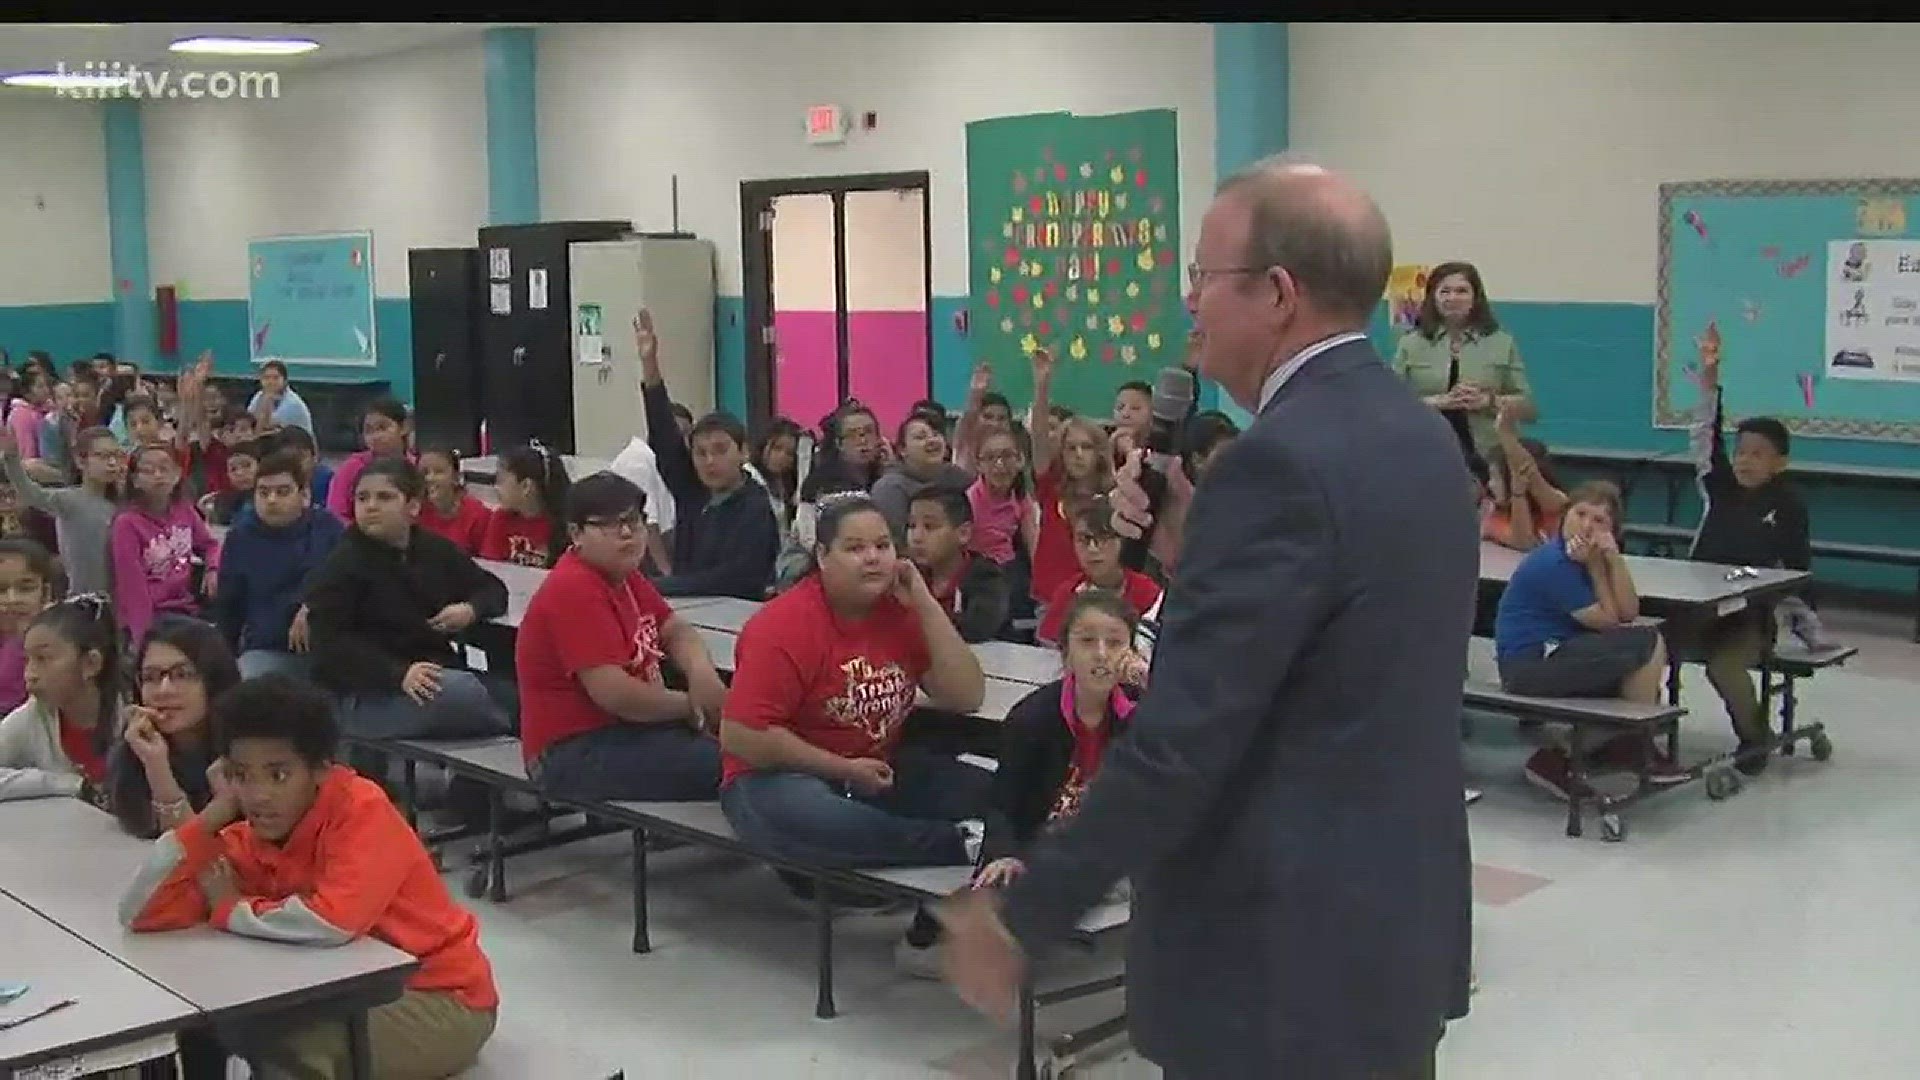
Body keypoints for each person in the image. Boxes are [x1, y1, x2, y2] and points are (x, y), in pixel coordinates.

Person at [937, 156, 1475, 1079]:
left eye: (1202, 277)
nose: (1189, 305)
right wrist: (1192, 547)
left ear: (1277, 293)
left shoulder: (1277, 467)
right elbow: (1341, 647)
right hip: (1393, 922)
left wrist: (1028, 911)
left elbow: (1185, 741)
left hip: (1278, 957)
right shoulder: (1419, 433)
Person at [117, 674, 498, 1079]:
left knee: (288, 1040)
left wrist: (232, 908)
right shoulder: (248, 835)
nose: (259, 795)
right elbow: (140, 913)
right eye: (242, 775)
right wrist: (214, 814)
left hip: (440, 997)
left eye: (278, 775)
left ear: (319, 770)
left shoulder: (362, 810)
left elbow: (331, 921)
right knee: (201, 1026)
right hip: (342, 992)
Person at [720, 494, 989, 970]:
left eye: (883, 545)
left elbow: (966, 694)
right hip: (776, 776)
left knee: (991, 790)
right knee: (816, 820)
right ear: (822, 557)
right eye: (855, 547)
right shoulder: (782, 626)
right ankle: (958, 846)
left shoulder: (901, 613)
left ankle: (987, 851)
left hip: (875, 766)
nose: (873, 558)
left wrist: (926, 605)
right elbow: (744, 736)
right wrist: (842, 768)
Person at [515, 472, 726, 803]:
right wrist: (694, 705)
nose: (627, 533)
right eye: (610, 525)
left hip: (625, 730)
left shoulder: (623, 575)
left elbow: (674, 628)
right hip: (570, 751)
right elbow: (616, 696)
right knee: (734, 761)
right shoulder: (574, 589)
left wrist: (702, 675)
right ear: (576, 534)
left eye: (634, 521)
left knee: (748, 740)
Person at [1492, 481, 1684, 794]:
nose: (1587, 526)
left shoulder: (1589, 558)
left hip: (1559, 655)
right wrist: (1596, 567)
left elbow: (1628, 611)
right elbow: (1609, 623)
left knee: (1644, 651)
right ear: (1565, 516)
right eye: (1581, 514)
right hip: (1529, 665)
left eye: (1600, 521)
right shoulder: (1554, 562)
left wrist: (1614, 560)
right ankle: (1618, 747)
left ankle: (1621, 746)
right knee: (1648, 643)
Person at [304, 459, 512, 742]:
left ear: (413, 507)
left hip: (433, 674)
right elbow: (330, 645)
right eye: (362, 498)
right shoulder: (342, 563)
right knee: (464, 694)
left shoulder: (431, 548)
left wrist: (471, 608)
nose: (371, 506)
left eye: (384, 497)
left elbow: (492, 588)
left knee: (514, 694)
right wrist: (398, 674)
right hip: (367, 692)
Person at [1684, 328, 1815, 773]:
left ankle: (1754, 738)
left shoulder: (1789, 507)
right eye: (1741, 452)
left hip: (1749, 618)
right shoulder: (1717, 487)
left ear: (1780, 463)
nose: (1745, 460)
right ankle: (1632, 737)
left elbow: (1798, 573)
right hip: (1696, 608)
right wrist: (1709, 374)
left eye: (1758, 454)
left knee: (1723, 667)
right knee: (1644, 647)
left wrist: (1805, 628)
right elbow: (1704, 435)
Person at [973, 590, 1142, 892]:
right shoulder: (1032, 719)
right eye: (1087, 641)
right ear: (1065, 652)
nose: (1102, 653)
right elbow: (1004, 804)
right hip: (1042, 853)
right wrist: (1004, 855)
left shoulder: (1142, 715)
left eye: (1115, 643)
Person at [635, 311, 780, 599]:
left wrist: (659, 586)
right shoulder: (693, 491)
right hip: (686, 610)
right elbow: (665, 440)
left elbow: (737, 579)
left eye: (720, 450)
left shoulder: (755, 507)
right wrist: (650, 368)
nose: (710, 462)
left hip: (737, 615)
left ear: (744, 452)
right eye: (700, 453)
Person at [213, 449, 344, 681]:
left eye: (282, 492)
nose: (271, 500)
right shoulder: (240, 538)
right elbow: (228, 609)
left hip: (329, 649)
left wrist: (312, 604)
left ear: (304, 495)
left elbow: (348, 580)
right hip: (267, 649)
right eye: (263, 492)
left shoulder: (328, 528)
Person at [108, 616, 241, 838]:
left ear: (214, 679)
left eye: (182, 675)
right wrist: (155, 763)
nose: (164, 690)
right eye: (150, 677)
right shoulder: (134, 749)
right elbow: (160, 843)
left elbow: (199, 857)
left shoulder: (245, 750)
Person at [1391, 260, 1536, 460]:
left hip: (1490, 456)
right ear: (1433, 297)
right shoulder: (1411, 343)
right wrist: (1438, 402)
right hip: (1426, 452)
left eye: (1461, 291)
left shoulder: (1502, 342)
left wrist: (1489, 401)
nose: (1453, 298)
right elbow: (1390, 404)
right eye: (1445, 291)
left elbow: (1529, 410)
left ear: (1475, 297)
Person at [0, 593, 122, 805]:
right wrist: (68, 785)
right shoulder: (33, 717)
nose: (30, 674)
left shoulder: (134, 716)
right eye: (27, 660)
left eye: (43, 659)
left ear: (90, 664)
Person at [110, 442, 220, 646]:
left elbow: (210, 544)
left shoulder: (184, 510)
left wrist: (213, 568)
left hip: (187, 606)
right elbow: (131, 588)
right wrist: (144, 640)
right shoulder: (126, 523)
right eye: (148, 470)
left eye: (164, 468)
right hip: (153, 615)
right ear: (134, 480)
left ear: (177, 474)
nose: (158, 475)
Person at [1035, 501, 1161, 647]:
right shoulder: (1068, 592)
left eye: (1103, 538)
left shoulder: (1148, 593)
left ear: (1123, 541)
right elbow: (1049, 644)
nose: (1093, 549)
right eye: (1083, 539)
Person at [905, 485, 1009, 643]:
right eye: (912, 526)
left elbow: (976, 630)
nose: (917, 537)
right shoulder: (906, 574)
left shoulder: (986, 578)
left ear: (963, 533)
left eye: (929, 527)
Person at [870, 410, 971, 539]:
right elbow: (895, 540)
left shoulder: (958, 476)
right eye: (920, 437)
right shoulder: (889, 487)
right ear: (902, 450)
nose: (931, 440)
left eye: (936, 435)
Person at [1481, 404, 1568, 552]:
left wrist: (1505, 434)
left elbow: (1528, 472)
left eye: (1495, 478)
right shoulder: (1493, 515)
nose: (1490, 484)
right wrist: (1518, 494)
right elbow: (1523, 542)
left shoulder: (1555, 502)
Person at [481, 442, 571, 568]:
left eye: (501, 480)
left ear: (525, 486)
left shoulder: (563, 525)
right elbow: (491, 569)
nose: (496, 487)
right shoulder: (501, 519)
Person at [325, 396, 413, 522]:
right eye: (369, 431)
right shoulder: (352, 467)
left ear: (404, 427)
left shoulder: (418, 466)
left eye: (383, 428)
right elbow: (336, 515)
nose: (375, 436)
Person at [0, 539, 58, 717]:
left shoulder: (59, 642)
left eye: (25, 589)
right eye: (1, 590)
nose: (12, 599)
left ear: (45, 593)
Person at [418, 447, 494, 556]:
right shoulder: (415, 511)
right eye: (424, 472)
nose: (430, 478)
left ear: (456, 477)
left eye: (438, 471)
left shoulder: (478, 515)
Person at [247, 358, 315, 434]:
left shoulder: (292, 404)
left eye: (275, 378)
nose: (270, 382)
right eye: (266, 378)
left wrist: (266, 405)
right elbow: (249, 423)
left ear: (285, 380)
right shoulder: (258, 396)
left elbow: (264, 431)